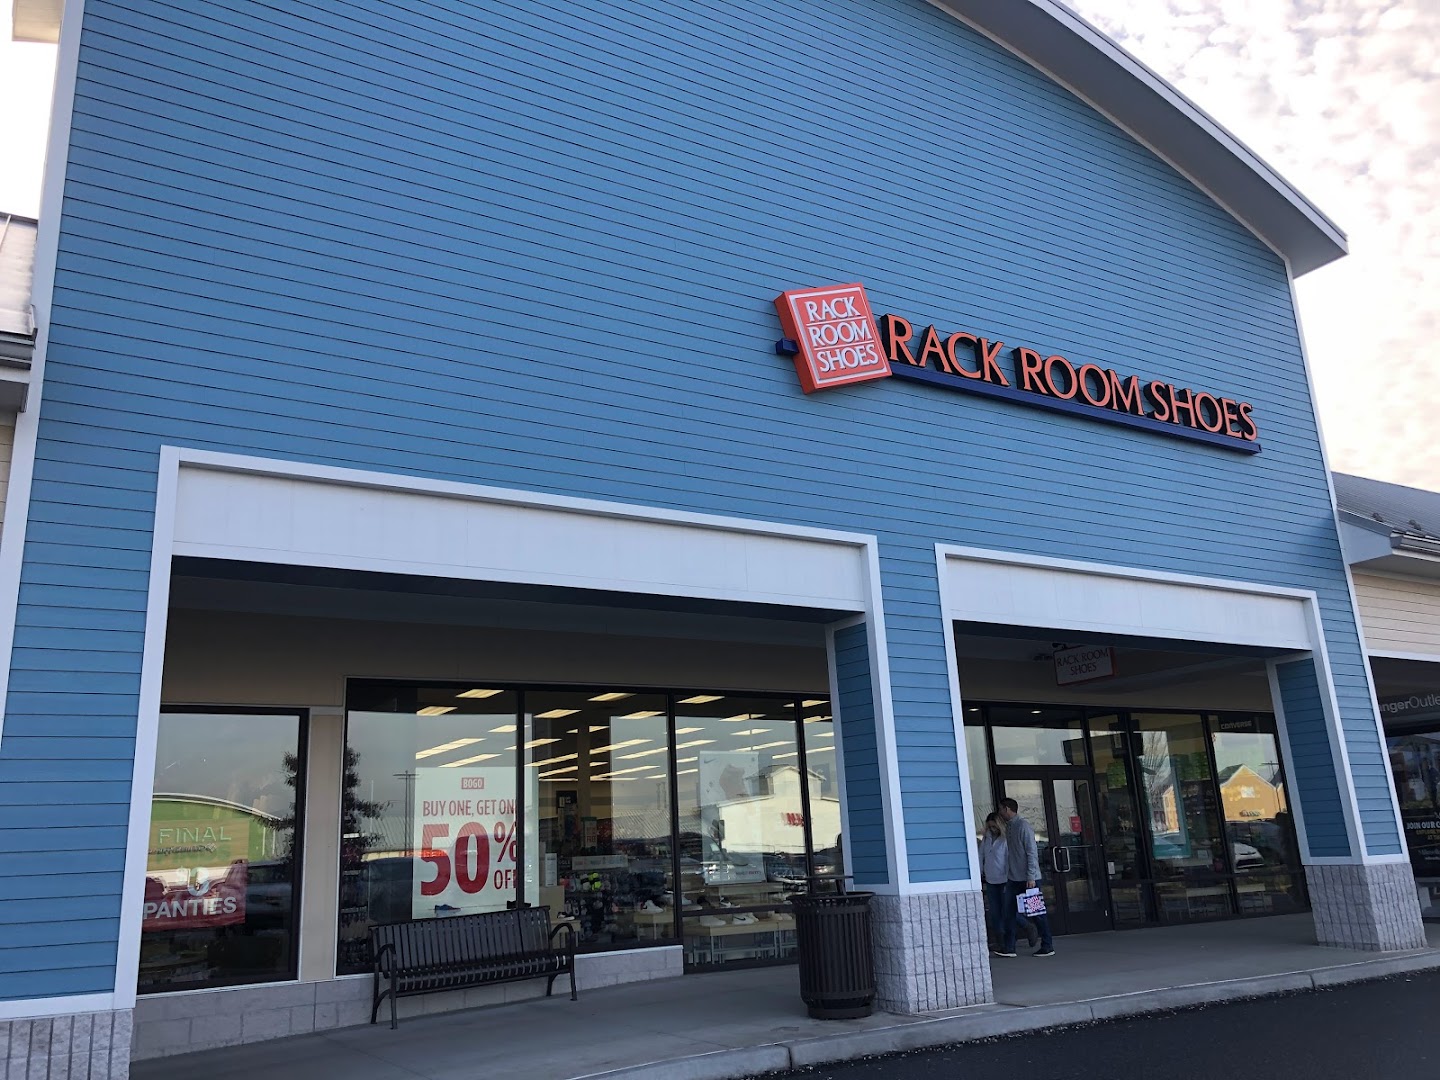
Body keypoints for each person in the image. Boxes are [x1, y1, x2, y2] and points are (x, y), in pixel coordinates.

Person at [995, 797, 1055, 957]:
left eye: (1001, 809)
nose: (1000, 813)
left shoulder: (1023, 826)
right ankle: (1009, 947)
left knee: (1036, 912)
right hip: (1014, 878)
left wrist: (1031, 876)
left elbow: (1031, 852)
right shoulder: (1009, 827)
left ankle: (1047, 945)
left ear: (1007, 809)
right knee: (1008, 913)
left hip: (1029, 880)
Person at [980, 813, 1037, 948]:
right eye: (990, 827)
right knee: (995, 912)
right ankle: (1001, 941)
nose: (992, 829)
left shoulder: (1006, 840)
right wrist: (980, 872)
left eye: (994, 827)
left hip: (1006, 878)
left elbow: (1009, 859)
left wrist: (1012, 876)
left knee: (1007, 910)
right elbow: (981, 855)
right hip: (990, 878)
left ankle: (1027, 926)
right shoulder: (986, 839)